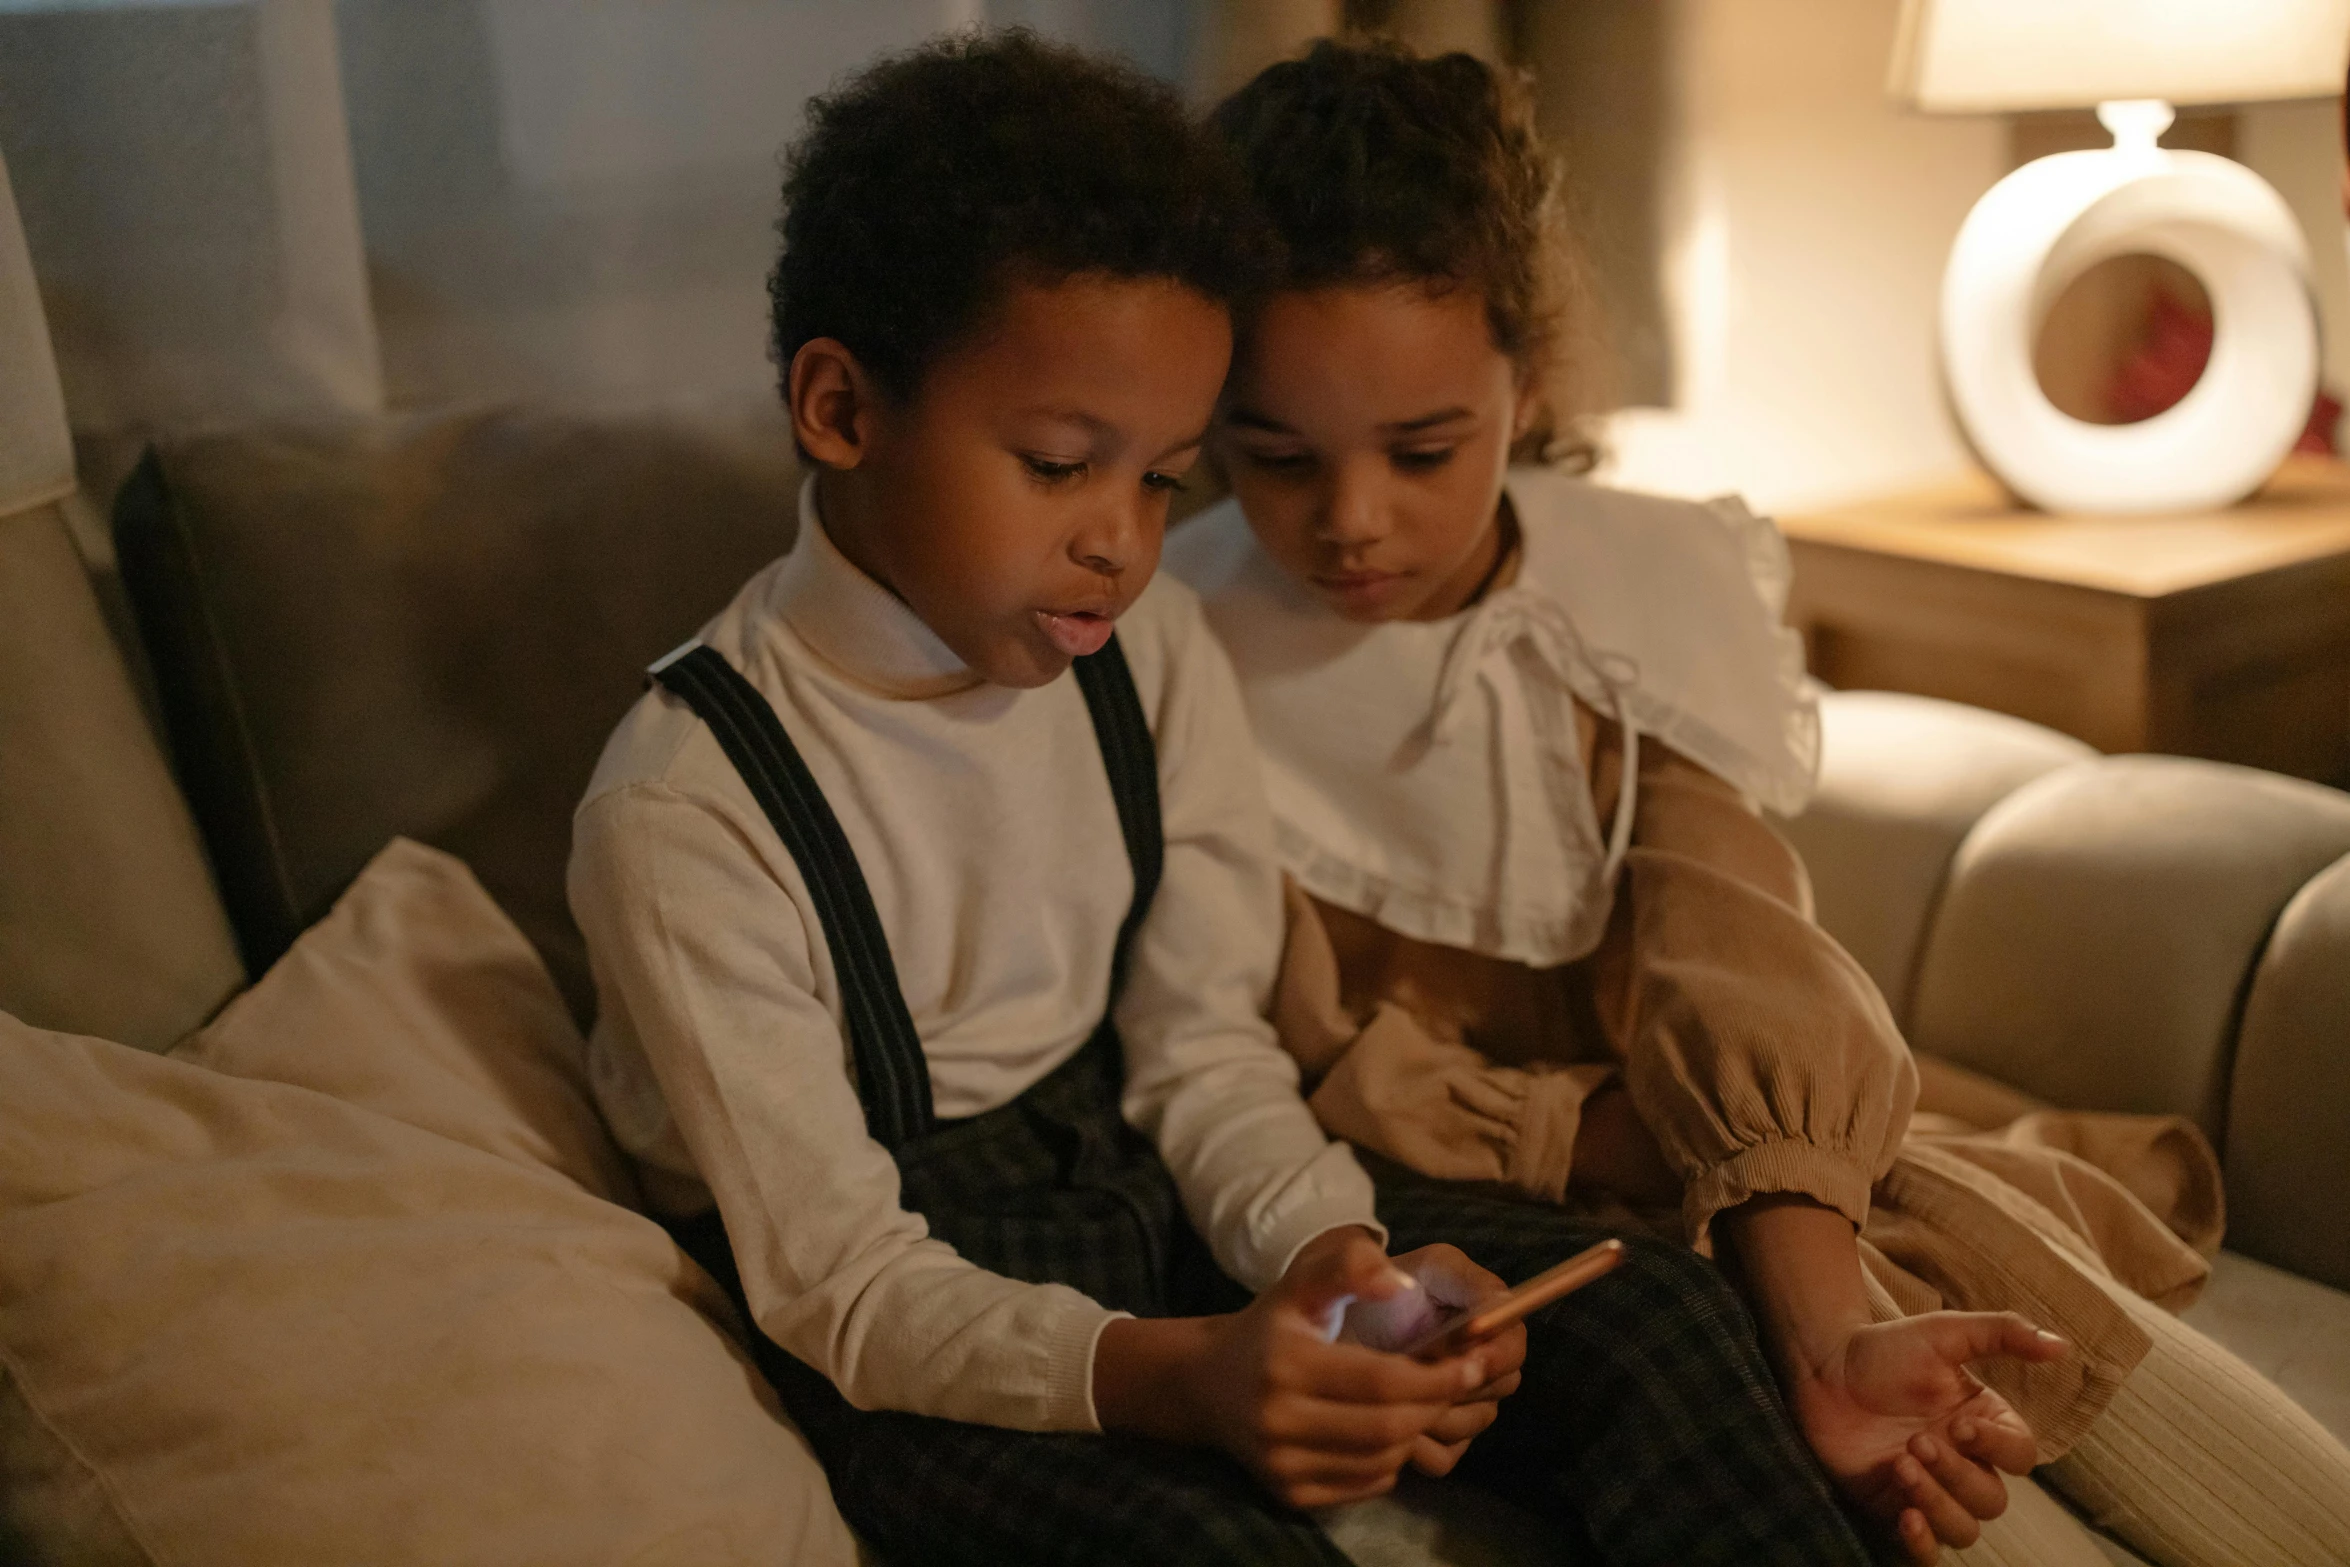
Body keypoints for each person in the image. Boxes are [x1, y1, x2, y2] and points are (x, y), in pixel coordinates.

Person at [568, 30, 1880, 1567]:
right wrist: (1184, 1376)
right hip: (920, 1301)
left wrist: (1342, 1266)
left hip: (1135, 1167)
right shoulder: (686, 807)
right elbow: (840, 1285)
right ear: (843, 411)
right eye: (1061, 465)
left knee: (1649, 1315)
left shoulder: (1148, 647)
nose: (1119, 546)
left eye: (1159, 482)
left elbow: (1199, 1043)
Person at [1170, 38, 2350, 1567]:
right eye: (1274, 457)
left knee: (1976, 1290)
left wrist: (1809, 1280)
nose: (1350, 520)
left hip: (1741, 1158)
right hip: (1462, 1205)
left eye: (1422, 449)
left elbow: (1729, 944)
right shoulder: (1178, 644)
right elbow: (1257, 1056)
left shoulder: (1636, 590)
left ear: (1520, 379)